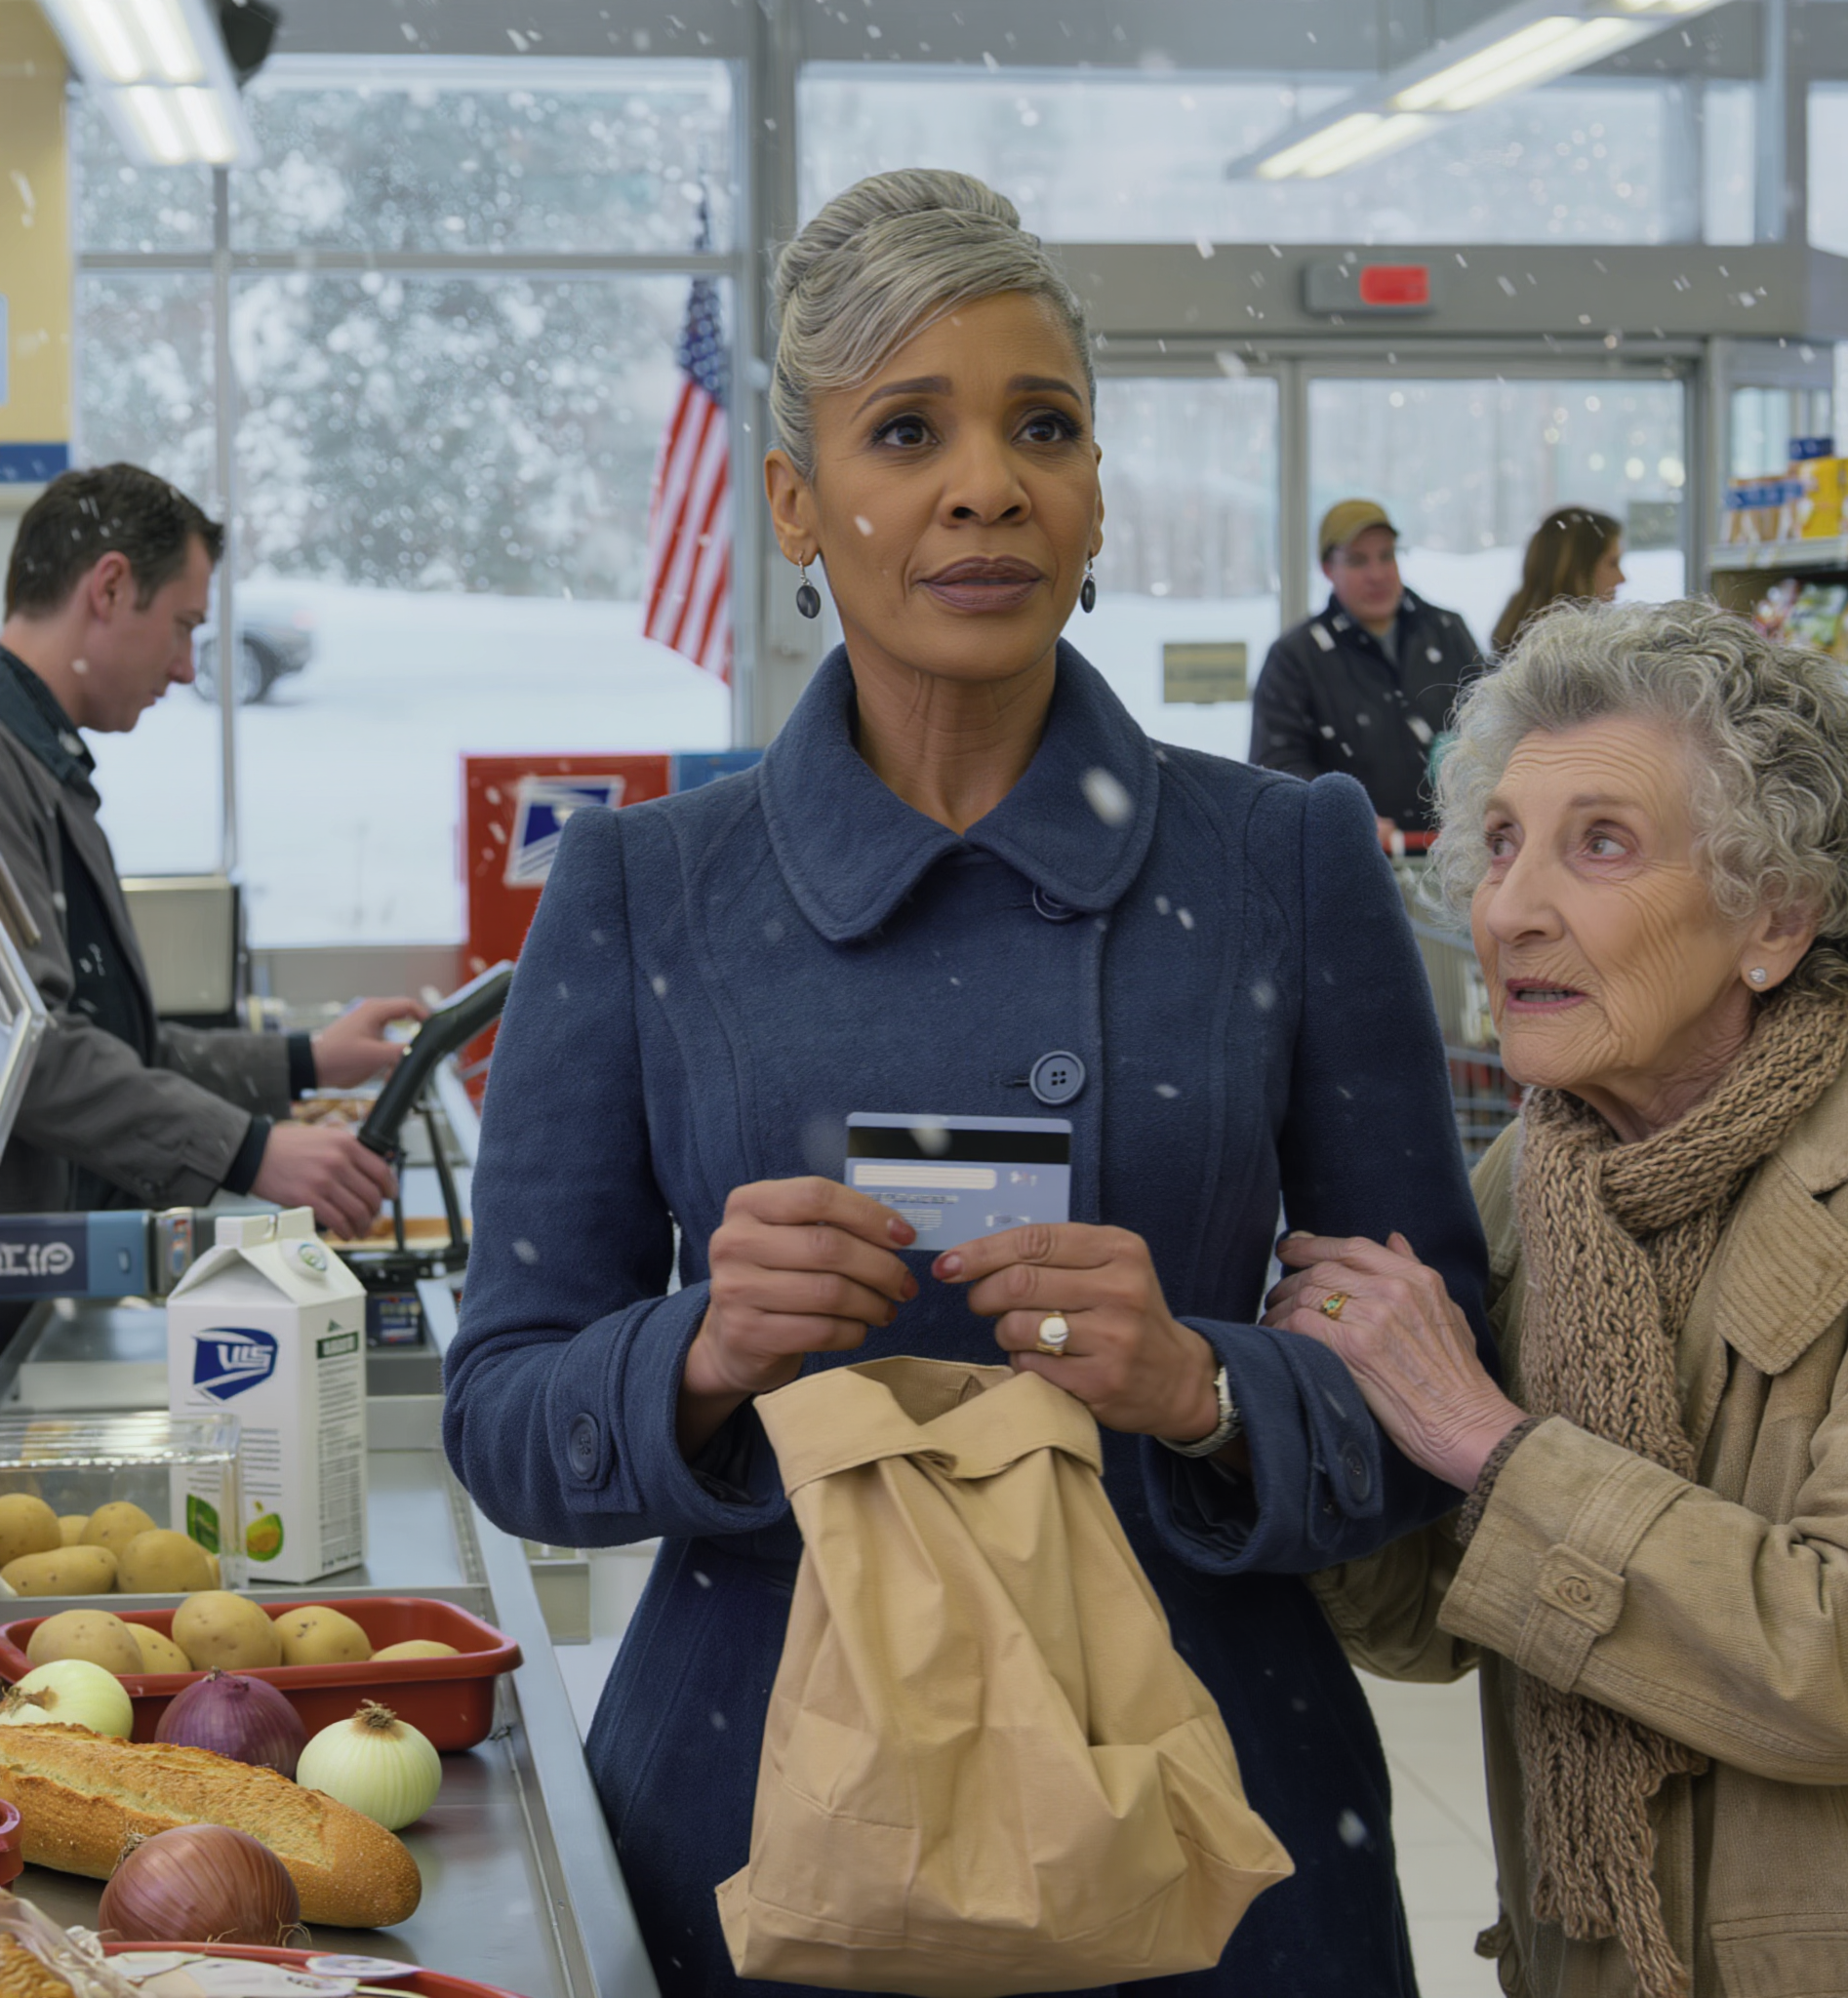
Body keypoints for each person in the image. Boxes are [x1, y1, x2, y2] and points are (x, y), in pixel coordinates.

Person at [443, 169, 1495, 1995]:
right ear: (792, 499)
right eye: (905, 428)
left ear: (1092, 498)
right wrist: (694, 1352)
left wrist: (1202, 1382)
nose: (984, 483)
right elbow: (508, 1411)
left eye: (1042, 427)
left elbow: (1435, 1391)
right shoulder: (643, 885)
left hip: (1199, 1800)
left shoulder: (1283, 855)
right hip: (766, 1799)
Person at [1290, 598, 1848, 1997]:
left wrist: (1491, 1446)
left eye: (1599, 844)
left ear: (1775, 917)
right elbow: (1423, 1625)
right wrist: (1273, 1409)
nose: (1510, 908)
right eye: (1500, 843)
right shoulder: (1524, 1190)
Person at [0, 464, 420, 1237]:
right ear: (111, 588)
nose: (188, 667)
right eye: (185, 624)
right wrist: (250, 1151)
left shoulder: (44, 766)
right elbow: (29, 1055)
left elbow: (120, 1046)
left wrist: (303, 1063)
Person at [1247, 499, 1481, 844]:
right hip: (1353, 861)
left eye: (1386, 556)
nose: (1377, 574)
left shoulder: (1447, 631)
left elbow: (1491, 729)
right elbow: (1278, 767)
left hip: (1455, 858)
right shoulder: (1295, 658)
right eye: (1357, 561)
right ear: (1328, 568)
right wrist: (1347, 817)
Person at [1489, 507, 1625, 655]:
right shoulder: (1576, 655)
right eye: (1612, 563)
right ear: (1576, 570)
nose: (1622, 578)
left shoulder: (1518, 644)